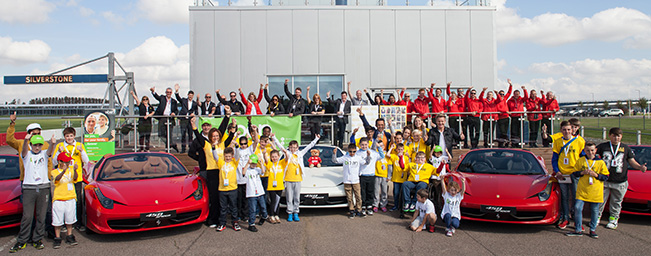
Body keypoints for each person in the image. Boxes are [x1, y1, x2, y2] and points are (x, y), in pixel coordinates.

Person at [10, 134, 55, 253]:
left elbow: (50, 151)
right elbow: (24, 151)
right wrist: (25, 140)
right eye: (35, 145)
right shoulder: (26, 154)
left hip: (43, 187)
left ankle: (37, 239)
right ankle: (22, 240)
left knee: (41, 216)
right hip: (29, 188)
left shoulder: (44, 154)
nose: (37, 147)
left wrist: (53, 143)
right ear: (31, 145)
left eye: (39, 145)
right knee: (27, 216)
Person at [596, 128, 647, 230]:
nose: (616, 138)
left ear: (621, 137)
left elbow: (631, 161)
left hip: (620, 180)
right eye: (614, 135)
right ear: (610, 135)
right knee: (600, 200)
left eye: (618, 136)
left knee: (616, 201)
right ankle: (596, 218)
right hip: (605, 179)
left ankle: (613, 219)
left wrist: (640, 167)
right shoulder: (603, 146)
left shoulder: (625, 148)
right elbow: (593, 156)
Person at [189, 115, 233, 228]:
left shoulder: (222, 144)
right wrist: (194, 126)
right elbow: (198, 137)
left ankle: (221, 219)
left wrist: (228, 118)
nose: (215, 137)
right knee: (213, 197)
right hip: (212, 172)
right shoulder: (206, 144)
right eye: (213, 136)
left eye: (217, 136)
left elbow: (226, 132)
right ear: (210, 137)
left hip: (222, 172)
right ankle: (212, 219)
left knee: (221, 197)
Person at [566, 141, 609, 238]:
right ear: (584, 151)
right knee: (577, 208)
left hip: (595, 190)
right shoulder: (581, 160)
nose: (590, 152)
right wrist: (582, 173)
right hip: (582, 190)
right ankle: (578, 229)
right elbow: (574, 173)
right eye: (588, 150)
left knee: (594, 210)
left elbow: (606, 176)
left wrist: (596, 175)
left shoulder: (600, 162)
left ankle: (592, 230)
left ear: (596, 150)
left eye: (592, 150)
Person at [274, 134, 320, 221]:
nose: (293, 149)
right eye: (291, 147)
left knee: (296, 197)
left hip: (298, 179)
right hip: (288, 179)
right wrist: (274, 137)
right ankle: (290, 213)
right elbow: (280, 146)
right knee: (289, 197)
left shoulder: (300, 154)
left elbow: (309, 146)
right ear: (289, 147)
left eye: (295, 147)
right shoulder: (287, 153)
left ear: (297, 148)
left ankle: (296, 213)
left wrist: (316, 139)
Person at [52, 127, 89, 232]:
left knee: (77, 200)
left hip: (76, 177)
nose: (69, 138)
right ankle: (63, 223)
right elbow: (54, 161)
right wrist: (59, 153)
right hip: (64, 178)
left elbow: (86, 161)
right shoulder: (60, 146)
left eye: (71, 136)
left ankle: (78, 223)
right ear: (64, 137)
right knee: (63, 201)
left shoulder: (79, 145)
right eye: (67, 136)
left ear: (74, 136)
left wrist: (81, 152)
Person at [551, 121, 585, 230]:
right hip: (563, 174)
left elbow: (583, 157)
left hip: (574, 174)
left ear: (573, 130)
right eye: (564, 130)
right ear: (561, 130)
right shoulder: (558, 142)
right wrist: (557, 172)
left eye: (569, 129)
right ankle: (565, 218)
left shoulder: (579, 141)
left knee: (576, 197)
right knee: (564, 197)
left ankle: (577, 220)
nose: (567, 132)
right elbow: (554, 159)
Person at [333, 144, 371, 219]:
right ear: (348, 151)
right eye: (350, 151)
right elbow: (335, 161)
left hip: (355, 180)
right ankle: (351, 210)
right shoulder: (345, 158)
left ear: (356, 151)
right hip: (347, 180)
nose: (352, 153)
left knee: (358, 196)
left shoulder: (358, 158)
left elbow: (366, 162)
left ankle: (359, 210)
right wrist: (334, 153)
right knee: (349, 197)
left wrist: (368, 156)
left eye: (353, 151)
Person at [50, 152, 79, 248]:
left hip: (70, 198)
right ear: (60, 162)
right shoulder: (54, 172)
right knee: (57, 221)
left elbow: (75, 178)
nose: (67, 163)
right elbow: (56, 181)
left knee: (70, 220)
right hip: (59, 199)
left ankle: (69, 236)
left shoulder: (71, 170)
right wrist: (63, 171)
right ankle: (57, 238)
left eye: (68, 161)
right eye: (65, 162)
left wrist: (75, 170)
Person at [234, 127, 260, 223]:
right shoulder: (237, 150)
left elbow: (256, 141)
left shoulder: (249, 150)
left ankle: (245, 215)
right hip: (238, 178)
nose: (243, 145)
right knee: (238, 199)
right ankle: (239, 215)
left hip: (247, 179)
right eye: (242, 144)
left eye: (245, 143)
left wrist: (254, 131)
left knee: (246, 199)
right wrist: (235, 139)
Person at [213, 147, 240, 232]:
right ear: (224, 156)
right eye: (226, 156)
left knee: (233, 207)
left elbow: (237, 155)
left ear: (232, 156)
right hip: (222, 189)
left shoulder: (234, 163)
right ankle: (222, 223)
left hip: (232, 189)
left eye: (229, 156)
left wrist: (236, 147)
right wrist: (213, 148)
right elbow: (215, 157)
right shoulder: (221, 163)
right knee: (223, 208)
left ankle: (235, 223)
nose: (227, 158)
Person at [242, 154, 268, 232]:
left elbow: (263, 171)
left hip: (260, 192)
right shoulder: (247, 170)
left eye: (255, 163)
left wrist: (261, 162)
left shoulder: (257, 169)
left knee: (263, 207)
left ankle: (264, 217)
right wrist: (247, 163)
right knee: (252, 209)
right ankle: (251, 224)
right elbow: (243, 173)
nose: (254, 165)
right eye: (252, 163)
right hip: (251, 193)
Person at [150, 86, 179, 152]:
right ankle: (171, 144)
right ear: (166, 92)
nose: (168, 93)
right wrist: (153, 91)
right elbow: (157, 97)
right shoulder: (162, 98)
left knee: (169, 135)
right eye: (167, 92)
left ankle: (167, 149)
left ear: (171, 93)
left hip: (170, 119)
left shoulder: (174, 101)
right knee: (161, 134)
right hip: (162, 118)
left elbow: (176, 110)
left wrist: (174, 113)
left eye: (170, 92)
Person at [356, 137, 380, 216]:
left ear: (368, 144)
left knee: (370, 191)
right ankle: (363, 206)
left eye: (365, 144)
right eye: (362, 145)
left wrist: (379, 147)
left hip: (371, 175)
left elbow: (382, 156)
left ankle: (369, 206)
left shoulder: (373, 152)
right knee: (363, 192)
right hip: (362, 175)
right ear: (359, 145)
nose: (364, 146)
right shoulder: (357, 153)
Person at [262, 147, 285, 224]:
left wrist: (284, 151)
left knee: (278, 201)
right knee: (273, 201)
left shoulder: (281, 163)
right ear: (271, 157)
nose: (274, 158)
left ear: (279, 156)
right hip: (271, 186)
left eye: (276, 156)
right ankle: (271, 215)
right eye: (273, 157)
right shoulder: (270, 164)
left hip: (279, 186)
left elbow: (287, 157)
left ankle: (276, 215)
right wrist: (265, 153)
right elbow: (266, 160)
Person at [175, 84, 199, 153]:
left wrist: (194, 114)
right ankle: (183, 149)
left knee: (190, 135)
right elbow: (178, 98)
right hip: (183, 119)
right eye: (189, 95)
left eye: (192, 95)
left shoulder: (194, 103)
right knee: (183, 134)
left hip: (190, 120)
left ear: (193, 96)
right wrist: (176, 91)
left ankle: (190, 148)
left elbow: (196, 112)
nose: (190, 97)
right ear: (188, 95)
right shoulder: (184, 100)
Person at [388, 143, 410, 217]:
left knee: (403, 194)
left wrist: (408, 156)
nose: (400, 151)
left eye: (401, 149)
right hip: (396, 178)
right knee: (396, 193)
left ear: (403, 150)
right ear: (396, 150)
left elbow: (407, 167)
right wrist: (391, 148)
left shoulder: (406, 158)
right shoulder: (394, 156)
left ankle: (402, 206)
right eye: (399, 149)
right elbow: (388, 155)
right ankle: (396, 205)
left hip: (403, 179)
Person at [428, 145, 450, 215]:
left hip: (442, 177)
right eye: (437, 152)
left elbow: (450, 158)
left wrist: (447, 152)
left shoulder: (443, 158)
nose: (438, 154)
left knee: (442, 192)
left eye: (440, 152)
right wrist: (432, 150)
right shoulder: (433, 158)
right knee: (437, 192)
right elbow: (430, 156)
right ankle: (437, 206)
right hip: (435, 178)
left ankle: (441, 206)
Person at [447, 82, 469, 148]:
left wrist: (463, 98)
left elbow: (464, 104)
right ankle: (455, 143)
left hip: (463, 115)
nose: (460, 92)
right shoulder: (455, 100)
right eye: (459, 91)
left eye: (461, 91)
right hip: (456, 116)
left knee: (464, 130)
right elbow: (449, 94)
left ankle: (465, 143)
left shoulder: (462, 98)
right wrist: (448, 86)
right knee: (455, 130)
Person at [373, 141, 392, 213]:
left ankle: (383, 204)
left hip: (384, 176)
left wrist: (389, 176)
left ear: (384, 146)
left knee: (384, 191)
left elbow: (390, 166)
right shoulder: (375, 154)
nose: (381, 147)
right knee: (376, 191)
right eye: (379, 146)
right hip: (377, 175)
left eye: (382, 146)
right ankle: (375, 204)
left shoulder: (387, 155)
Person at [494, 80, 513, 147]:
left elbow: (509, 92)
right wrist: (506, 111)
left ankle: (504, 142)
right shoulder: (497, 101)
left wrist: (510, 85)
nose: (502, 95)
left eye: (503, 94)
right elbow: (498, 109)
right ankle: (504, 142)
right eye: (501, 94)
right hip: (501, 118)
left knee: (505, 131)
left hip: (506, 117)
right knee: (502, 131)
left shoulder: (505, 99)